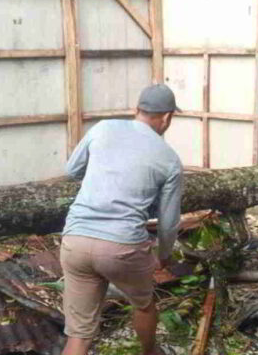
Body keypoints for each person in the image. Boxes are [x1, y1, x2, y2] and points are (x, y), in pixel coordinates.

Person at [60, 84, 182, 355]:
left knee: (79, 335)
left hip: (75, 239)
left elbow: (71, 169)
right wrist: (164, 255)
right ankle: (150, 352)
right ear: (166, 117)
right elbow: (169, 221)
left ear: (137, 110)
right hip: (122, 247)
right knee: (144, 304)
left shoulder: (103, 128)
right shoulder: (170, 159)